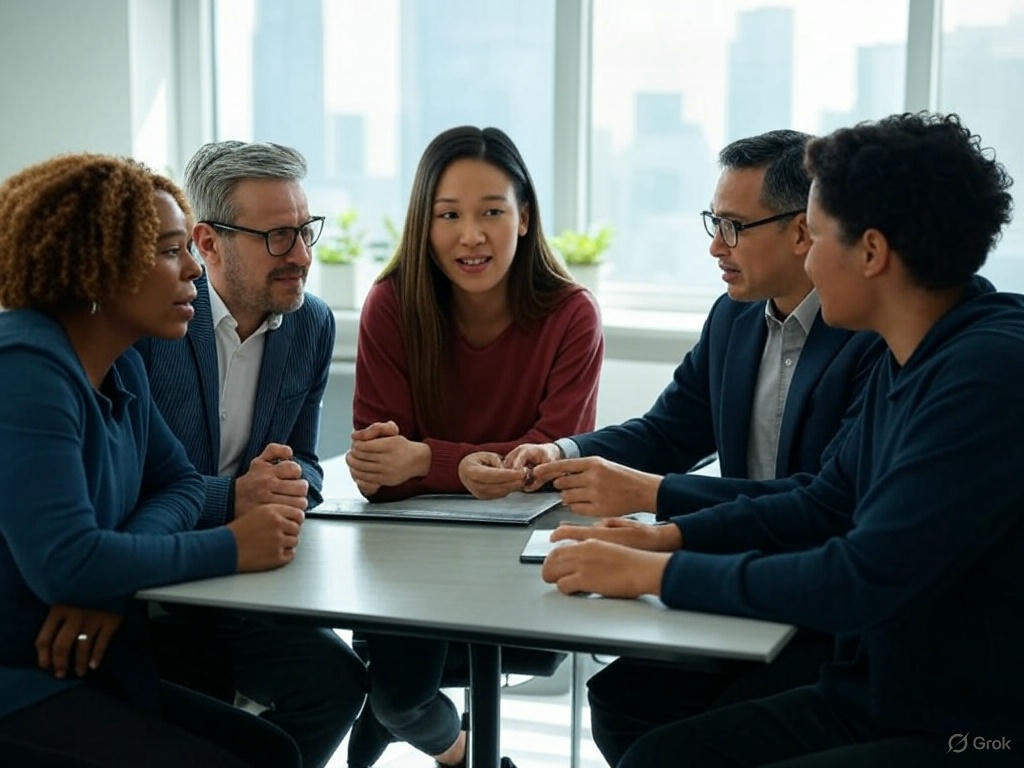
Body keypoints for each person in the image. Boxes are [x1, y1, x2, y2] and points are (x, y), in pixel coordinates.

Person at [543, 112, 1022, 767]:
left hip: (969, 727)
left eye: (818, 236)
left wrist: (657, 572)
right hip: (878, 693)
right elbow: (825, 501)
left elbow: (860, 575)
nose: (808, 254)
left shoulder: (985, 373)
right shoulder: (905, 353)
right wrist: (667, 536)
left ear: (873, 253)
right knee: (659, 752)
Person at [463, 129, 884, 764]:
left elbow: (825, 500)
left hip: (816, 603)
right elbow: (668, 431)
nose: (716, 246)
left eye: (735, 227)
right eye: (714, 222)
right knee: (620, 698)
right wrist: (558, 452)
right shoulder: (735, 316)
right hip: (731, 578)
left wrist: (652, 496)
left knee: (676, 739)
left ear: (803, 231)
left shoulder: (869, 334)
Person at [0, 154, 302, 767]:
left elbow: (182, 486)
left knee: (272, 753)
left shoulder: (122, 363)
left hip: (82, 660)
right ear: (95, 265)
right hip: (17, 683)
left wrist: (109, 576)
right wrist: (236, 546)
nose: (194, 267)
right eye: (169, 251)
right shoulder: (25, 370)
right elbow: (66, 563)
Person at [346, 126, 603, 767]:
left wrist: (428, 460)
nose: (471, 235)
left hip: (523, 551)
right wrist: (447, 464)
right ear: (423, 224)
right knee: (402, 698)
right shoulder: (390, 305)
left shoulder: (572, 315)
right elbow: (380, 472)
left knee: (396, 694)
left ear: (525, 218)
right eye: (448, 215)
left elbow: (548, 462)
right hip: (409, 555)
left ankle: (395, 710)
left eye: (492, 211)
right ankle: (457, 749)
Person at [135, 140, 366, 768]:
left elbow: (308, 462)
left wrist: (291, 481)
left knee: (338, 682)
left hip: (250, 581)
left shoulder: (312, 324)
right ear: (207, 242)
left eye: (306, 231)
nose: (302, 257)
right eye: (278, 237)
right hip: (154, 588)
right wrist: (234, 496)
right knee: (205, 711)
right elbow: (125, 488)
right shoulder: (149, 325)